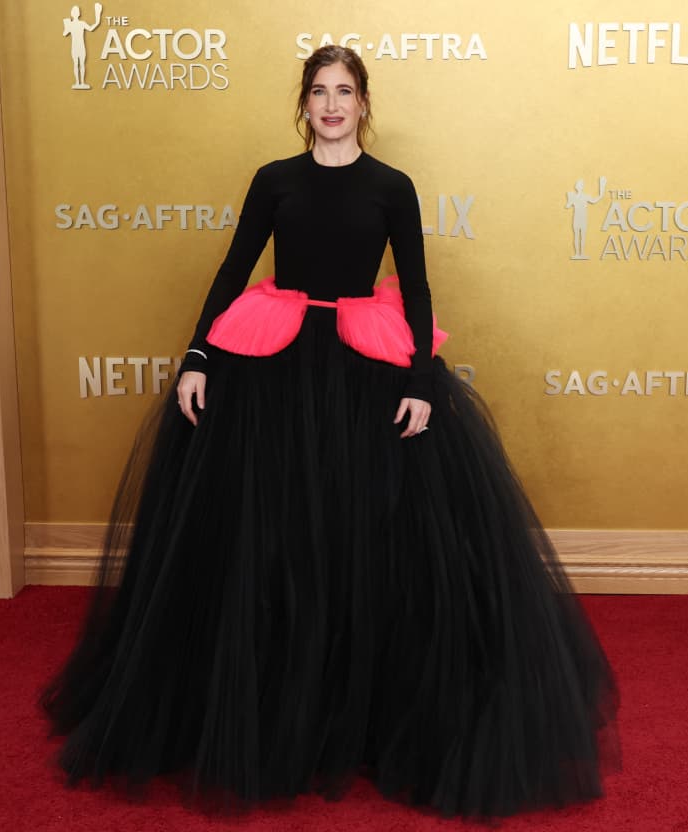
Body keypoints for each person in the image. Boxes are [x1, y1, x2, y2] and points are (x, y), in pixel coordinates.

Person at [40, 45, 619, 821]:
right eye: (320, 91)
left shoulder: (392, 188)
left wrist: (420, 384)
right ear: (305, 104)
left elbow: (415, 288)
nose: (333, 104)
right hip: (275, 375)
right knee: (274, 543)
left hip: (365, 375)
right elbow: (231, 270)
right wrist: (198, 358)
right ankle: (282, 708)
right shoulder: (274, 181)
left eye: (345, 91)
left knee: (367, 542)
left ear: (363, 103)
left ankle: (365, 711)